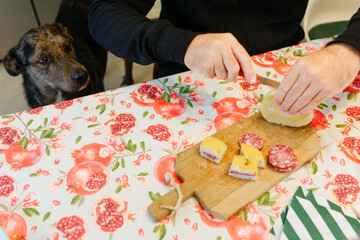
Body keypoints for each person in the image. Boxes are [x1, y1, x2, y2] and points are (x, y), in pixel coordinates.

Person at [88, 0, 360, 116]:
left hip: (289, 65)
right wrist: (185, 44)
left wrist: (348, 51)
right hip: (188, 76)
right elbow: (106, 13)